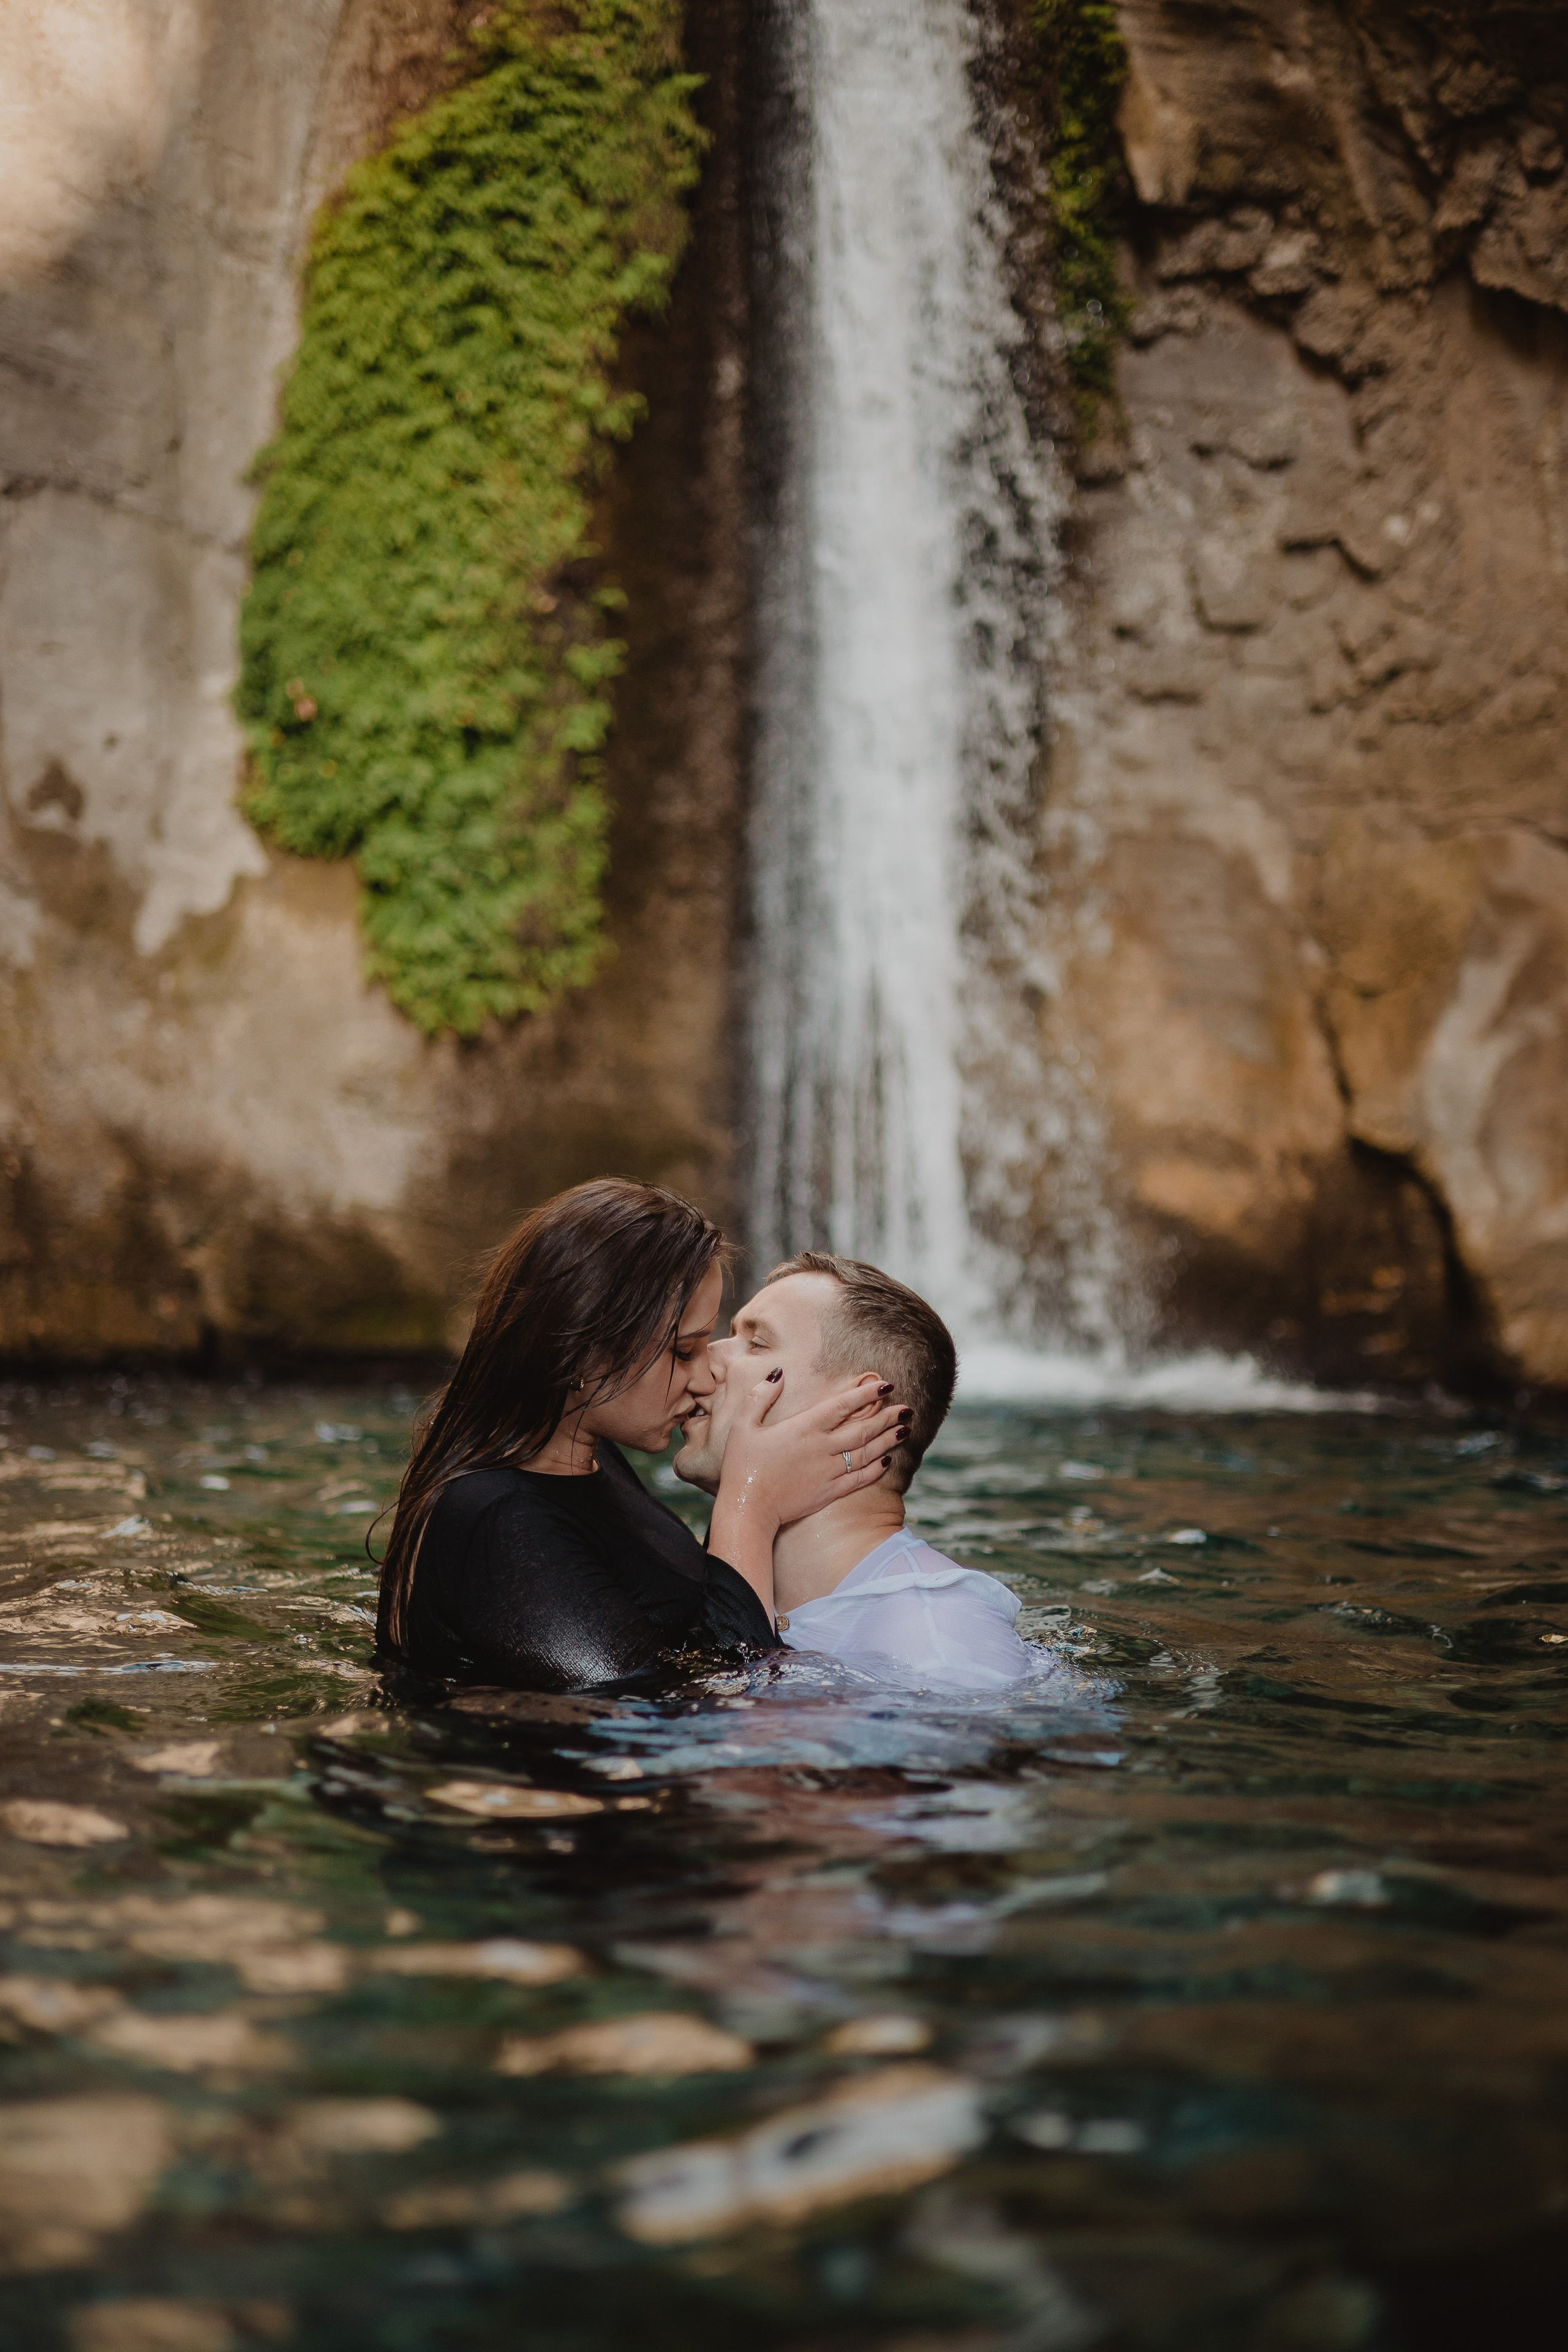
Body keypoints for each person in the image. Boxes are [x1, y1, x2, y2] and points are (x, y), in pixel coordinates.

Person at [376, 1182, 908, 1692]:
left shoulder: (591, 1457)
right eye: (683, 1352)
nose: (705, 1378)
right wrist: (751, 1501)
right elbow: (714, 1712)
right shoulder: (500, 1518)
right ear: (584, 1349)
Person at [674, 1251, 1046, 1692]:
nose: (705, 1359)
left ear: (861, 1408)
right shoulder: (709, 1578)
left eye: (756, 1344)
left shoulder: (938, 1643)